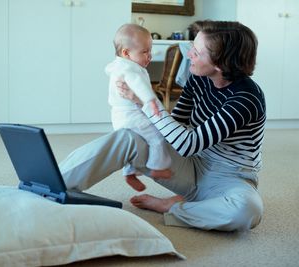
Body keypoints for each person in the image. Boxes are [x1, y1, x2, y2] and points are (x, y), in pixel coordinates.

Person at [59, 20, 265, 231]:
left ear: (220, 64)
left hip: (227, 179)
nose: (188, 55)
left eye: (197, 52)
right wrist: (143, 128)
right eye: (192, 47)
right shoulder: (198, 78)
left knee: (247, 210)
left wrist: (145, 102)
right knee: (127, 137)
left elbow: (188, 144)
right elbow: (175, 126)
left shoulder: (245, 98)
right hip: (189, 166)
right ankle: (55, 183)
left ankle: (174, 206)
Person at [105, 23, 172, 192]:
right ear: (126, 53)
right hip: (132, 115)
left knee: (134, 142)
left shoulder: (118, 65)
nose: (149, 56)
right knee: (157, 135)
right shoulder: (131, 69)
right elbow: (138, 84)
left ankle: (129, 172)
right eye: (144, 52)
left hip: (119, 116)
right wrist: (150, 100)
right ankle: (157, 167)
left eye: (150, 50)